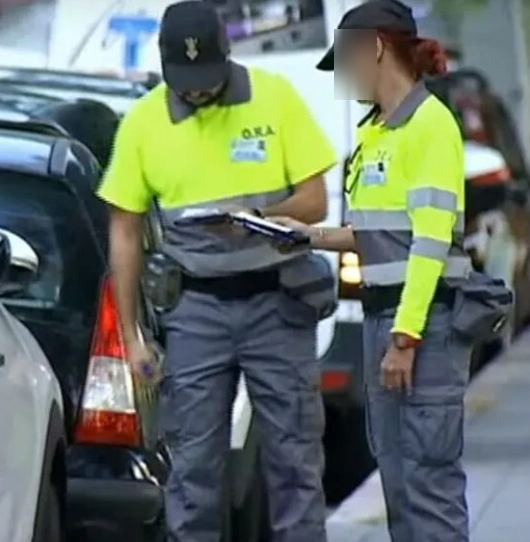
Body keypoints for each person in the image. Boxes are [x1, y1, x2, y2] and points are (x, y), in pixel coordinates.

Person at [97, 1, 338, 540]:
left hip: (278, 304)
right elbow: (125, 231)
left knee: (295, 461)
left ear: (228, 55)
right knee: (193, 468)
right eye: (187, 83)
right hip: (195, 311)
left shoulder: (275, 97)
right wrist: (132, 337)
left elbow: (315, 201)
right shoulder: (143, 123)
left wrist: (260, 217)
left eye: (208, 79)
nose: (200, 92)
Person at [271, 1, 472, 540]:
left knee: (429, 484)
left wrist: (405, 338)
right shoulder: (375, 132)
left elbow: (430, 243)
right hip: (383, 320)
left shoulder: (430, 125)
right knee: (399, 486)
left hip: (423, 326)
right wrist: (307, 236)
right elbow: (377, 235)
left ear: (375, 49)